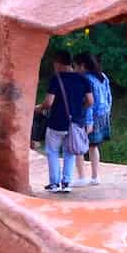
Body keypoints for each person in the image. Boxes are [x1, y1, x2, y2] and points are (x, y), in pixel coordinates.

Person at [35, 54, 93, 193]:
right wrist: (78, 108)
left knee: (52, 151)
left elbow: (49, 102)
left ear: (58, 63)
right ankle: (66, 183)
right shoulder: (82, 78)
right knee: (70, 152)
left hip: (57, 122)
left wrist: (39, 108)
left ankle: (54, 184)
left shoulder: (57, 78)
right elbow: (90, 101)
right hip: (76, 123)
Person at [75, 53, 113, 187]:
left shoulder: (85, 79)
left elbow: (89, 103)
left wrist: (88, 122)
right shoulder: (102, 76)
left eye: (76, 66)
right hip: (103, 114)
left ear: (82, 66)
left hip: (90, 117)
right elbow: (109, 96)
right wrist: (107, 111)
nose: (75, 69)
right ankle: (95, 177)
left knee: (77, 146)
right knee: (93, 146)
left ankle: (81, 178)